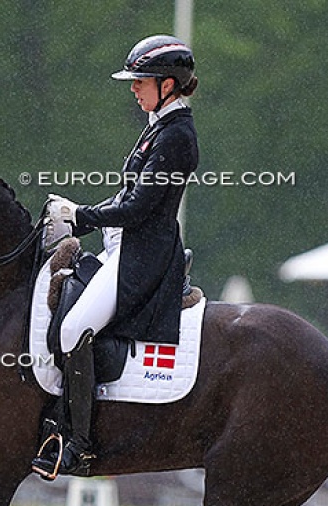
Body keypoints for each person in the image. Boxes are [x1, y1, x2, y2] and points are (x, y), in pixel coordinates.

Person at [32, 35, 199, 478]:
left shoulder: (177, 136)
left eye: (140, 81)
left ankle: (79, 445)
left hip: (143, 257)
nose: (133, 88)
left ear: (168, 84)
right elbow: (126, 196)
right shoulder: (158, 127)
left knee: (72, 328)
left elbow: (140, 207)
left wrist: (81, 213)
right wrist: (77, 221)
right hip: (125, 246)